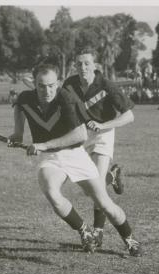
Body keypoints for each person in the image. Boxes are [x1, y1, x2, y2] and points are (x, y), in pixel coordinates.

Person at [9, 64, 141, 256]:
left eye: (51, 85)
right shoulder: (25, 98)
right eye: (41, 86)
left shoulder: (65, 98)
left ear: (58, 83)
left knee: (104, 204)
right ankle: (84, 231)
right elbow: (19, 107)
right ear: (34, 84)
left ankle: (129, 238)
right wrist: (18, 132)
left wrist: (43, 145)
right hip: (51, 159)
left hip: (75, 154)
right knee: (52, 192)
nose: (47, 90)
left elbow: (80, 135)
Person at [62, 48, 134, 248]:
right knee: (90, 189)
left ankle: (98, 232)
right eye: (78, 64)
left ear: (95, 66)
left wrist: (103, 125)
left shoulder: (106, 85)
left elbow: (129, 116)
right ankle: (114, 174)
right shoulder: (70, 84)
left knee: (98, 187)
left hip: (103, 133)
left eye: (86, 63)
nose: (82, 67)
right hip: (81, 136)